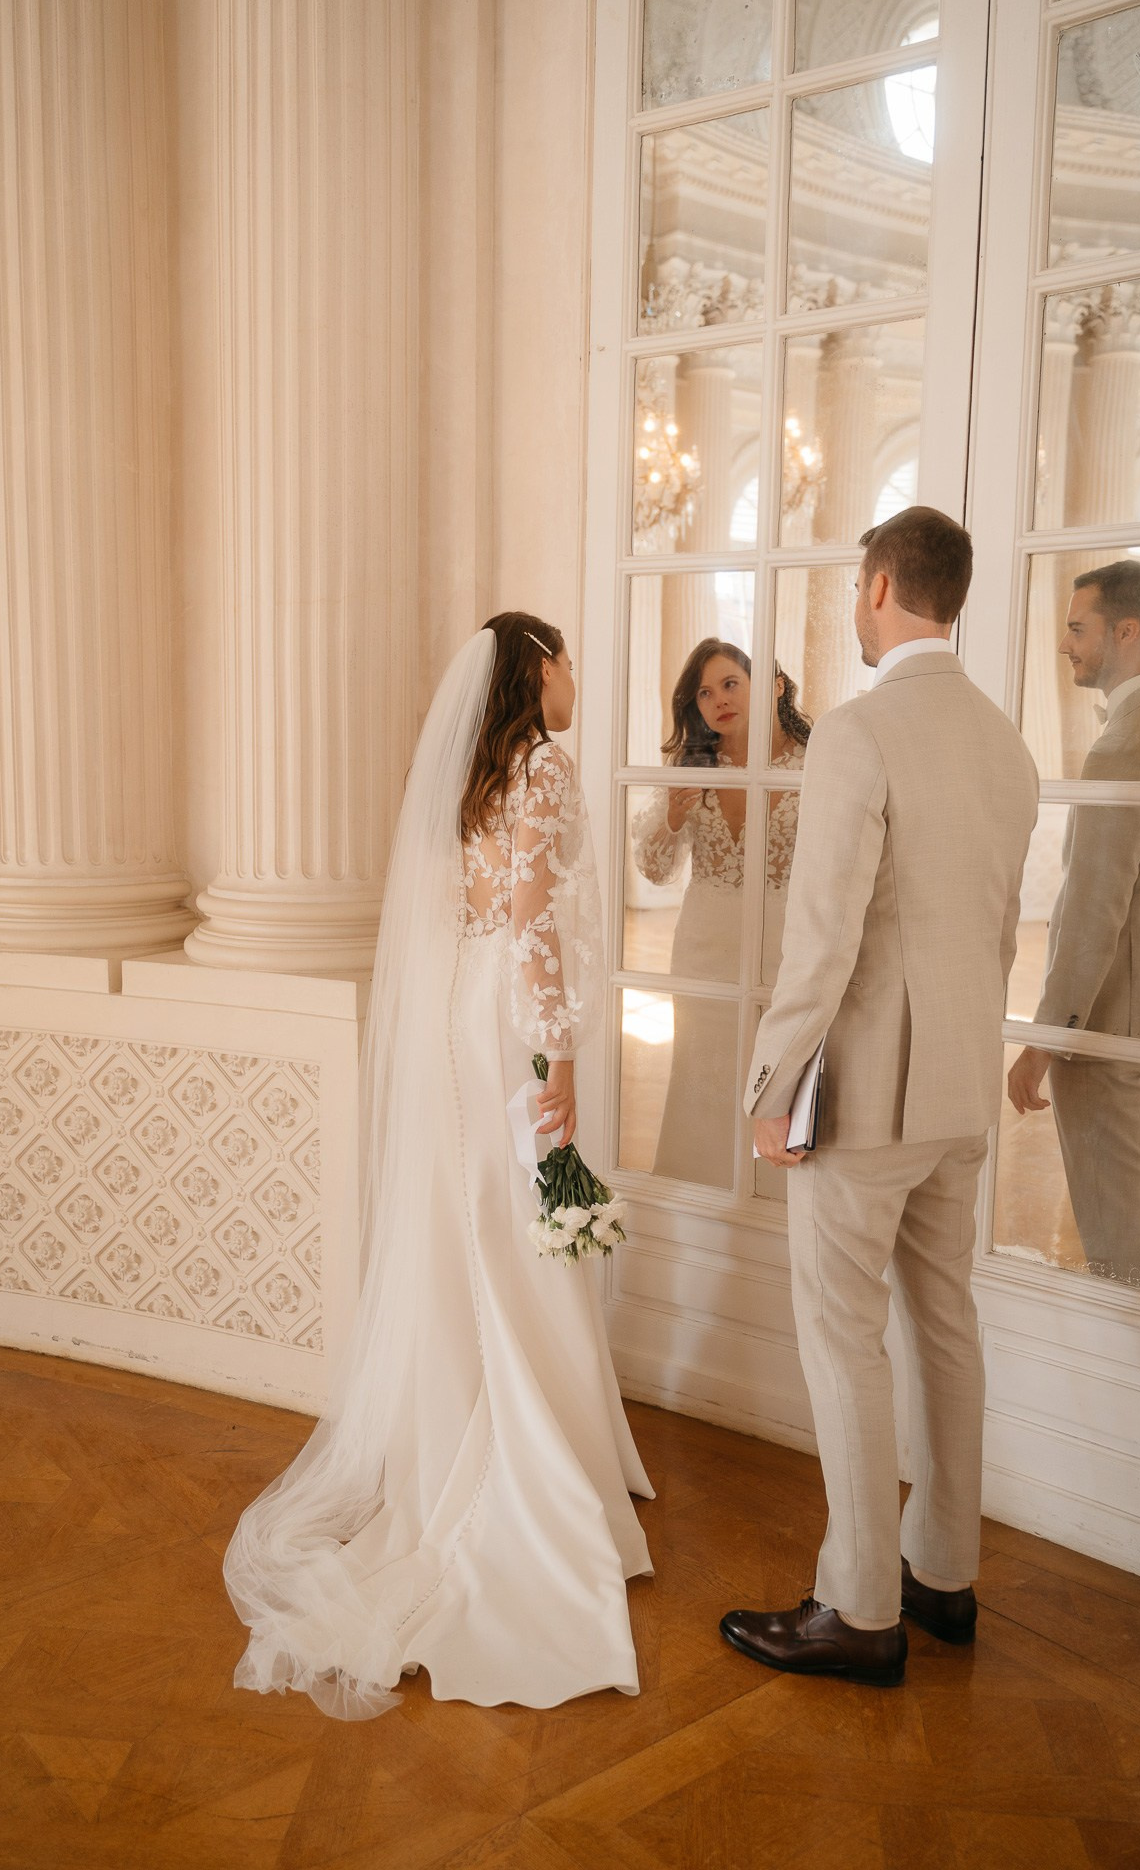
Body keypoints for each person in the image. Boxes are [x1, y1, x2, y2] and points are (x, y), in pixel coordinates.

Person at [224, 613, 653, 1719]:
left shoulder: (474, 782)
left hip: (461, 1016)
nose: (574, 676)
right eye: (563, 659)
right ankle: (531, 1475)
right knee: (516, 1228)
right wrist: (554, 1055)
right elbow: (533, 924)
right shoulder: (542, 773)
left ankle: (474, 1431)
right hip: (511, 1013)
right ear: (535, 673)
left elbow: (472, 914)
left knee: (483, 1229)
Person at [723, 506, 1039, 1686]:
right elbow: (1002, 932)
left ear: (873, 588)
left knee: (843, 1339)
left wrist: (770, 1086)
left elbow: (821, 939)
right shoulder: (1005, 745)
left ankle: (856, 1607)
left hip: (863, 1101)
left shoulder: (856, 734)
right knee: (944, 1324)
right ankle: (943, 1579)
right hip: (959, 1090)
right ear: (948, 597)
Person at [1008, 559, 1140, 1285]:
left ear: (1127, 630)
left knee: (1123, 1245)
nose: (1065, 644)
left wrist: (1045, 1039)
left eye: (1078, 628)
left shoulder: (1125, 746)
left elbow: (1091, 915)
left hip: (1115, 1038)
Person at [632, 641, 810, 1186]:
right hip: (703, 948)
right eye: (704, 693)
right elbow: (654, 868)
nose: (717, 701)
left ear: (771, 686)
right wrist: (673, 815)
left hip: (787, 947)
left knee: (778, 1080)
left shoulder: (816, 759)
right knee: (701, 1076)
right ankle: (697, 1205)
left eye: (730, 683)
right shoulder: (692, 767)